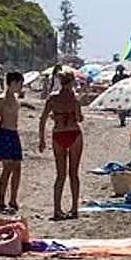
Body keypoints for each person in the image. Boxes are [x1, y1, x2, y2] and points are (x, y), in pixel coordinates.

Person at [38, 70, 83, 220]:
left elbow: (42, 119)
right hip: (73, 132)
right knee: (73, 173)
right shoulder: (74, 99)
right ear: (71, 82)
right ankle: (74, 208)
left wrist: (42, 139)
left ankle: (57, 209)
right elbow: (79, 118)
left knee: (60, 174)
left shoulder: (52, 99)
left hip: (58, 133)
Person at [0, 71, 24, 213]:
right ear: (13, 83)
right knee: (7, 168)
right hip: (4, 133)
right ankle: (0, 199)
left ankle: (13, 199)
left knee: (17, 167)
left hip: (14, 133)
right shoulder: (1, 99)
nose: (21, 87)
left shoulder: (15, 98)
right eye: (19, 84)